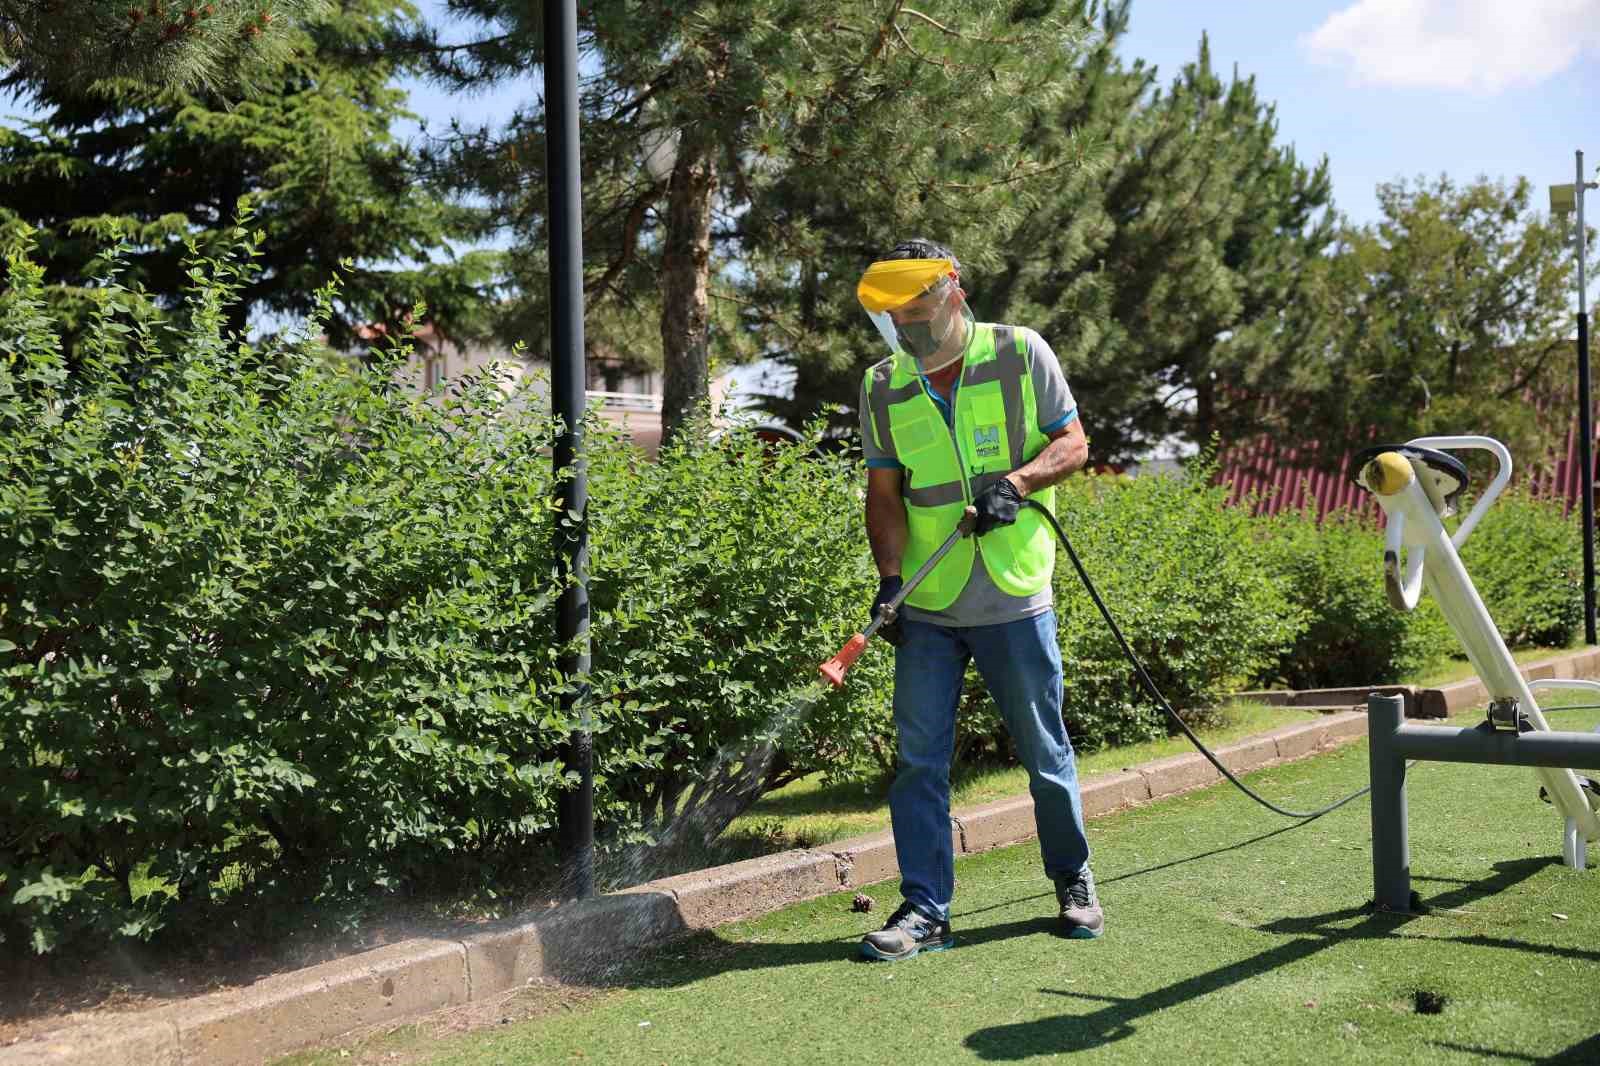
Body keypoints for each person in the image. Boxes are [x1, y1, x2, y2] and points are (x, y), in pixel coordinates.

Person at [854, 238, 1100, 961]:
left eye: (918, 310)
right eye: (896, 317)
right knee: (918, 761)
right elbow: (884, 491)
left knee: (1043, 750)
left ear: (953, 291)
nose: (910, 328)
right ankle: (925, 909)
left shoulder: (1020, 353)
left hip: (1014, 595)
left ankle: (1072, 879)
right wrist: (892, 580)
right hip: (929, 603)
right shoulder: (883, 385)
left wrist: (1018, 483)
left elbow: (1074, 443)